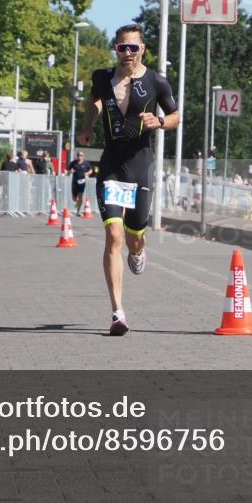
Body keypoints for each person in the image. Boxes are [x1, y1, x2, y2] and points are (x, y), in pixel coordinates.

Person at [77, 23, 180, 336]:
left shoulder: (156, 81)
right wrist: (89, 124)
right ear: (115, 49)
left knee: (133, 238)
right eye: (122, 47)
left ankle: (139, 251)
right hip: (111, 166)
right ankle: (118, 312)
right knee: (114, 238)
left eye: (133, 47)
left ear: (143, 49)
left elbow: (176, 116)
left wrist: (159, 121)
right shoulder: (101, 77)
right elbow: (94, 101)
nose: (127, 53)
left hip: (139, 167)